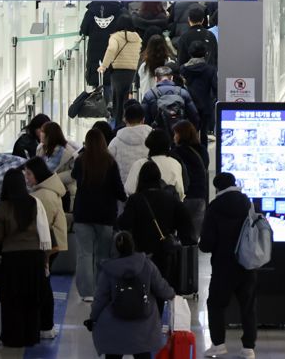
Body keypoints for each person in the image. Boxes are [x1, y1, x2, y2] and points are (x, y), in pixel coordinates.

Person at [87, 231, 175, 359]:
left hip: (114, 327)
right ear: (133, 245)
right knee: (143, 353)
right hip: (143, 327)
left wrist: (92, 318)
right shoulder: (147, 264)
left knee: (113, 352)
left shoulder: (108, 269)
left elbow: (100, 298)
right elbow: (162, 288)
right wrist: (172, 294)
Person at [200, 173, 258, 359]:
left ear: (217, 188)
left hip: (223, 265)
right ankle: (248, 348)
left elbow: (207, 243)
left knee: (215, 304)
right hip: (247, 263)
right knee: (247, 306)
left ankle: (218, 344)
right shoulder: (247, 203)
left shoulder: (215, 207)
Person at [0, 169, 49, 347]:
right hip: (34, 257)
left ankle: (13, 337)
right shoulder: (34, 203)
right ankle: (31, 336)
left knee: (12, 298)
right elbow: (43, 230)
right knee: (32, 297)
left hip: (12, 259)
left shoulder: (4, 207)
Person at [71, 129, 128, 302]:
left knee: (84, 254)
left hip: (82, 214)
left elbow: (74, 176)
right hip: (105, 215)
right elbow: (119, 190)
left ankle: (87, 292)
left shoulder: (81, 161)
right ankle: (102, 289)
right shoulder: (110, 162)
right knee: (103, 255)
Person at [118, 161, 194, 286]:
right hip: (164, 251)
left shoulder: (136, 199)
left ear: (140, 178)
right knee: (161, 286)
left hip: (141, 251)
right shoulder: (170, 198)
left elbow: (124, 223)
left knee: (143, 286)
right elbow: (186, 220)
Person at [23, 157, 68, 340]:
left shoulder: (43, 195)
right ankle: (45, 325)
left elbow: (43, 225)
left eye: (29, 174)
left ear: (38, 174)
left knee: (42, 287)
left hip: (46, 246)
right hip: (50, 243)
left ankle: (45, 325)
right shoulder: (46, 190)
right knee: (43, 285)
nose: (26, 178)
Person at [99, 14, 143, 127]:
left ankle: (119, 126)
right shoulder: (137, 37)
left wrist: (104, 66)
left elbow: (111, 49)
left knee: (117, 101)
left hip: (118, 73)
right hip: (132, 72)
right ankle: (130, 124)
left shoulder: (115, 37)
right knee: (128, 100)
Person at [170, 120, 210, 235]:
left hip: (185, 196)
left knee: (182, 234)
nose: (174, 137)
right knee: (194, 236)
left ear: (181, 135)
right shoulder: (202, 150)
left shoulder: (176, 152)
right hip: (200, 195)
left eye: (176, 134)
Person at [126, 129, 186, 200]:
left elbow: (129, 189)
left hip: (144, 206)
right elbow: (180, 191)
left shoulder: (139, 164)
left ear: (148, 145)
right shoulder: (175, 164)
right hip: (167, 206)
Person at [180, 41, 218, 148]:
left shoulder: (183, 69)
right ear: (205, 53)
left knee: (188, 132)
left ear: (190, 53)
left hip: (188, 105)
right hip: (205, 105)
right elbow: (215, 88)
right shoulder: (210, 70)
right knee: (203, 134)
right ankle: (203, 158)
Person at [140, 66, 200, 132]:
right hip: (179, 134)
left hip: (158, 135)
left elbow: (144, 119)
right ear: (172, 78)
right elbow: (194, 117)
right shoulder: (183, 93)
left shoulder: (149, 94)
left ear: (156, 79)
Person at [80, 0, 122, 91]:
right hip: (114, 51)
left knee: (97, 84)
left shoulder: (90, 12)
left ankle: (98, 100)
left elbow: (84, 30)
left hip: (94, 53)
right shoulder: (119, 12)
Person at [107, 101, 153, 183]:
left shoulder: (116, 141)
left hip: (123, 189)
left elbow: (107, 165)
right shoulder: (155, 138)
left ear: (125, 120)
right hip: (149, 188)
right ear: (143, 119)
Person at [37, 121, 79, 209]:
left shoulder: (67, 153)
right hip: (43, 192)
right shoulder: (41, 149)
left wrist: (54, 179)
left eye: (43, 131)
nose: (40, 134)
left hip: (63, 193)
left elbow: (73, 174)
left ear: (50, 135)